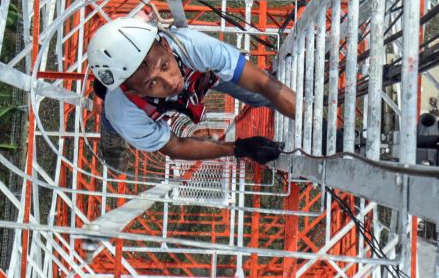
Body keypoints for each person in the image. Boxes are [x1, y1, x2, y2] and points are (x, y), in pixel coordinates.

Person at [86, 11, 295, 170]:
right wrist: (239, 148)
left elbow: (262, 82)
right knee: (112, 119)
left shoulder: (191, 46)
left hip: (197, 78)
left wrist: (307, 114)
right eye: (152, 83)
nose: (170, 82)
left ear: (167, 47)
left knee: (259, 95)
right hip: (133, 108)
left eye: (165, 66)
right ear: (135, 92)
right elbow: (175, 146)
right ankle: (108, 127)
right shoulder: (126, 113)